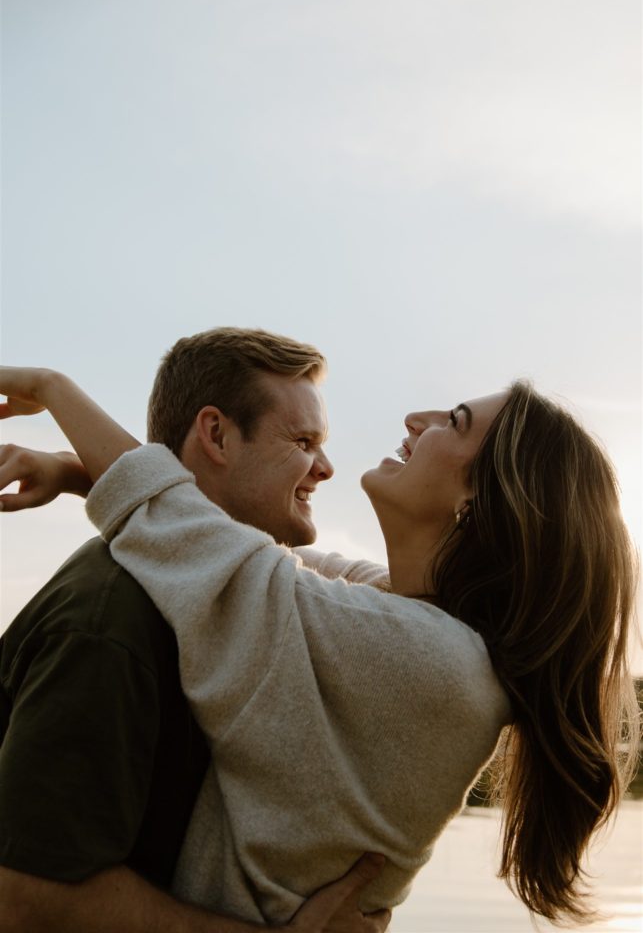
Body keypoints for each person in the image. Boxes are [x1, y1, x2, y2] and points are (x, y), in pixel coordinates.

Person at [0, 362, 639, 928]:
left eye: (455, 421)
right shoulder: (422, 626)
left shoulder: (429, 660)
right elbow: (226, 539)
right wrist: (77, 473)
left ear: (473, 501)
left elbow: (202, 541)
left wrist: (50, 387)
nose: (418, 419)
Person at [0, 329, 392, 933]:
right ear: (215, 435)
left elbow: (173, 505)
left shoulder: (214, 597)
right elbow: (27, 899)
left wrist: (81, 471)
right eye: (303, 441)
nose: (327, 467)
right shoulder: (112, 620)